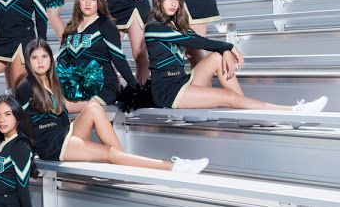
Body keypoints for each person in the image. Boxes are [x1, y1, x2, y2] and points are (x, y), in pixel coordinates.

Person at [16, 39, 209, 173]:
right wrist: (27, 155)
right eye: (34, 58)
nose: (40, 62)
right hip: (51, 145)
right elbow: (20, 124)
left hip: (65, 133)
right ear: (28, 61)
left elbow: (62, 113)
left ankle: (124, 160)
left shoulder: (54, 82)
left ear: (51, 59)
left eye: (44, 56)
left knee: (93, 107)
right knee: (108, 153)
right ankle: (173, 166)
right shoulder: (25, 87)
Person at [145, 0, 328, 112]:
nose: (174, 3)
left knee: (217, 57)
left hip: (182, 81)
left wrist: (224, 51)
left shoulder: (177, 26)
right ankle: (292, 110)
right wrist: (228, 46)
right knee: (228, 97)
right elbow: (197, 42)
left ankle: (246, 112)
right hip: (168, 91)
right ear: (159, 0)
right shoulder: (153, 27)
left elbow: (200, 41)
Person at [56, 0, 137, 113]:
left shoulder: (106, 25)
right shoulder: (70, 27)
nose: (88, 3)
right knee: (49, 103)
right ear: (78, 2)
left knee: (64, 107)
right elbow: (62, 61)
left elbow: (119, 59)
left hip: (103, 87)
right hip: (76, 88)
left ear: (98, 2)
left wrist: (135, 88)